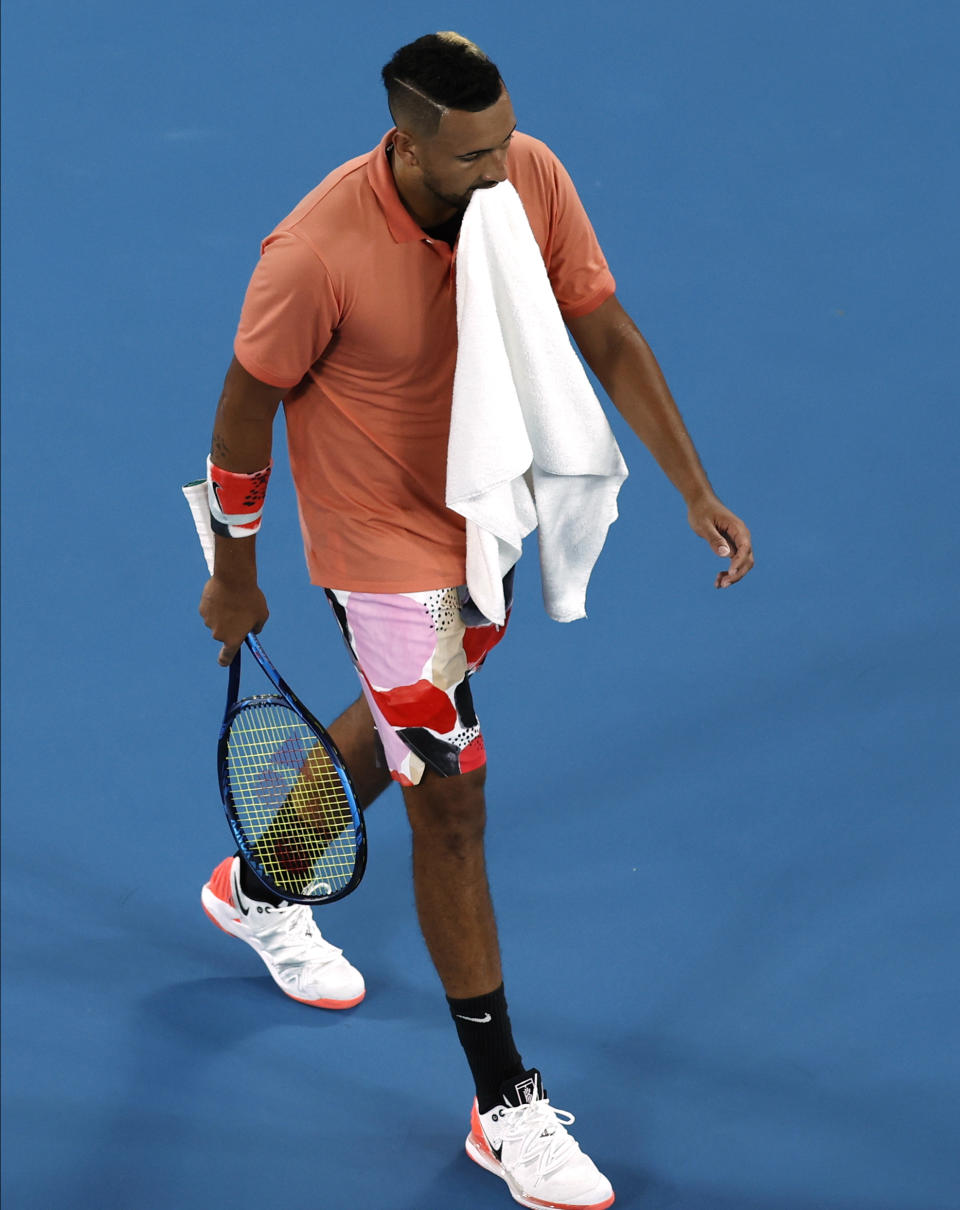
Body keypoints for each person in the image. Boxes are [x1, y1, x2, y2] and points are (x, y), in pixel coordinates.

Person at [197, 31, 754, 1210]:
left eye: (506, 141)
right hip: (376, 542)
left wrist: (692, 484)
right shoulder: (317, 251)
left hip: (484, 518)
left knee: (419, 729)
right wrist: (234, 568)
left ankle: (258, 886)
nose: (502, 171)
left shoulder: (527, 173)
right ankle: (503, 1104)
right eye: (471, 157)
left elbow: (601, 324)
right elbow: (247, 404)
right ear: (405, 142)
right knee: (451, 791)